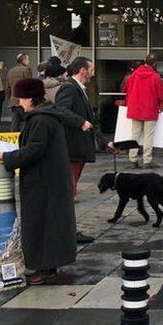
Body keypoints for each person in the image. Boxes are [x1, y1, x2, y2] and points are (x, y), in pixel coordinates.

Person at [0, 78, 77, 286]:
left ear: (30, 99)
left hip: (43, 182)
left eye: (21, 98)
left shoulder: (40, 120)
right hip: (50, 180)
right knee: (50, 225)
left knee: (40, 225)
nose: (19, 103)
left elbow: (35, 149)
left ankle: (43, 268)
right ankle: (48, 266)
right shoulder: (47, 116)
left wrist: (6, 156)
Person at [53, 56, 115, 244]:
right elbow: (60, 110)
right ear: (82, 71)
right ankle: (67, 232)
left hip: (78, 149)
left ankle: (68, 231)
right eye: (92, 70)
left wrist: (105, 143)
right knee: (68, 192)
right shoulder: (69, 88)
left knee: (71, 191)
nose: (93, 74)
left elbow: (91, 123)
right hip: (71, 149)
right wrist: (80, 122)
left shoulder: (79, 89)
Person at [124, 53, 163, 169]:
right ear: (155, 64)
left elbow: (126, 89)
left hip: (135, 109)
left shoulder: (134, 74)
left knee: (135, 135)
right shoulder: (155, 77)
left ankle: (133, 159)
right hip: (150, 109)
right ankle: (147, 160)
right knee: (149, 136)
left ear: (144, 62)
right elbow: (160, 96)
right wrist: (159, 106)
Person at [7, 53, 34, 131]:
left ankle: (13, 142)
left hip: (13, 101)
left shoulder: (11, 71)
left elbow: (8, 88)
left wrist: (10, 100)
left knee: (15, 124)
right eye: (28, 59)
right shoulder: (27, 69)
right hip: (24, 101)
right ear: (24, 60)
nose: (29, 61)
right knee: (28, 122)